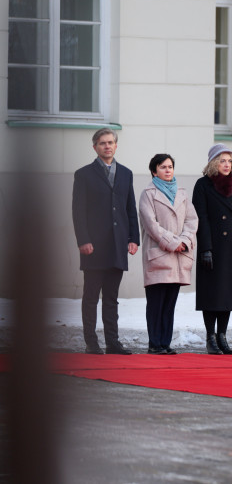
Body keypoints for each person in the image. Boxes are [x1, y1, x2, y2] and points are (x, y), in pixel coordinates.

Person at [72, 128, 139, 355]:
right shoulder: (84, 174)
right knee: (91, 297)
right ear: (95, 147)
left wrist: (134, 239)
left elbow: (130, 209)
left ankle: (113, 342)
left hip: (118, 246)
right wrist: (83, 240)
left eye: (110, 142)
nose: (107, 146)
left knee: (111, 298)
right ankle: (91, 342)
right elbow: (78, 211)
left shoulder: (126, 174)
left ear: (116, 146)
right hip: (93, 246)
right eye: (102, 143)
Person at [192, 144, 232, 355]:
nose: (226, 164)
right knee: (212, 294)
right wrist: (206, 249)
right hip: (213, 248)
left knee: (227, 294)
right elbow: (202, 218)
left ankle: (222, 336)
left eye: (229, 161)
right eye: (221, 160)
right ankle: (210, 336)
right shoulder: (203, 185)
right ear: (213, 163)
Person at [138, 154, 198, 355]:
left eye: (170, 166)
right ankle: (154, 343)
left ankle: (165, 343)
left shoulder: (182, 193)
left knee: (169, 303)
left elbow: (192, 220)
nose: (167, 170)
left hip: (179, 257)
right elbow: (151, 225)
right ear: (154, 171)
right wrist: (174, 243)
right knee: (156, 302)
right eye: (163, 167)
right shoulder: (148, 193)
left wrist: (185, 241)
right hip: (159, 255)